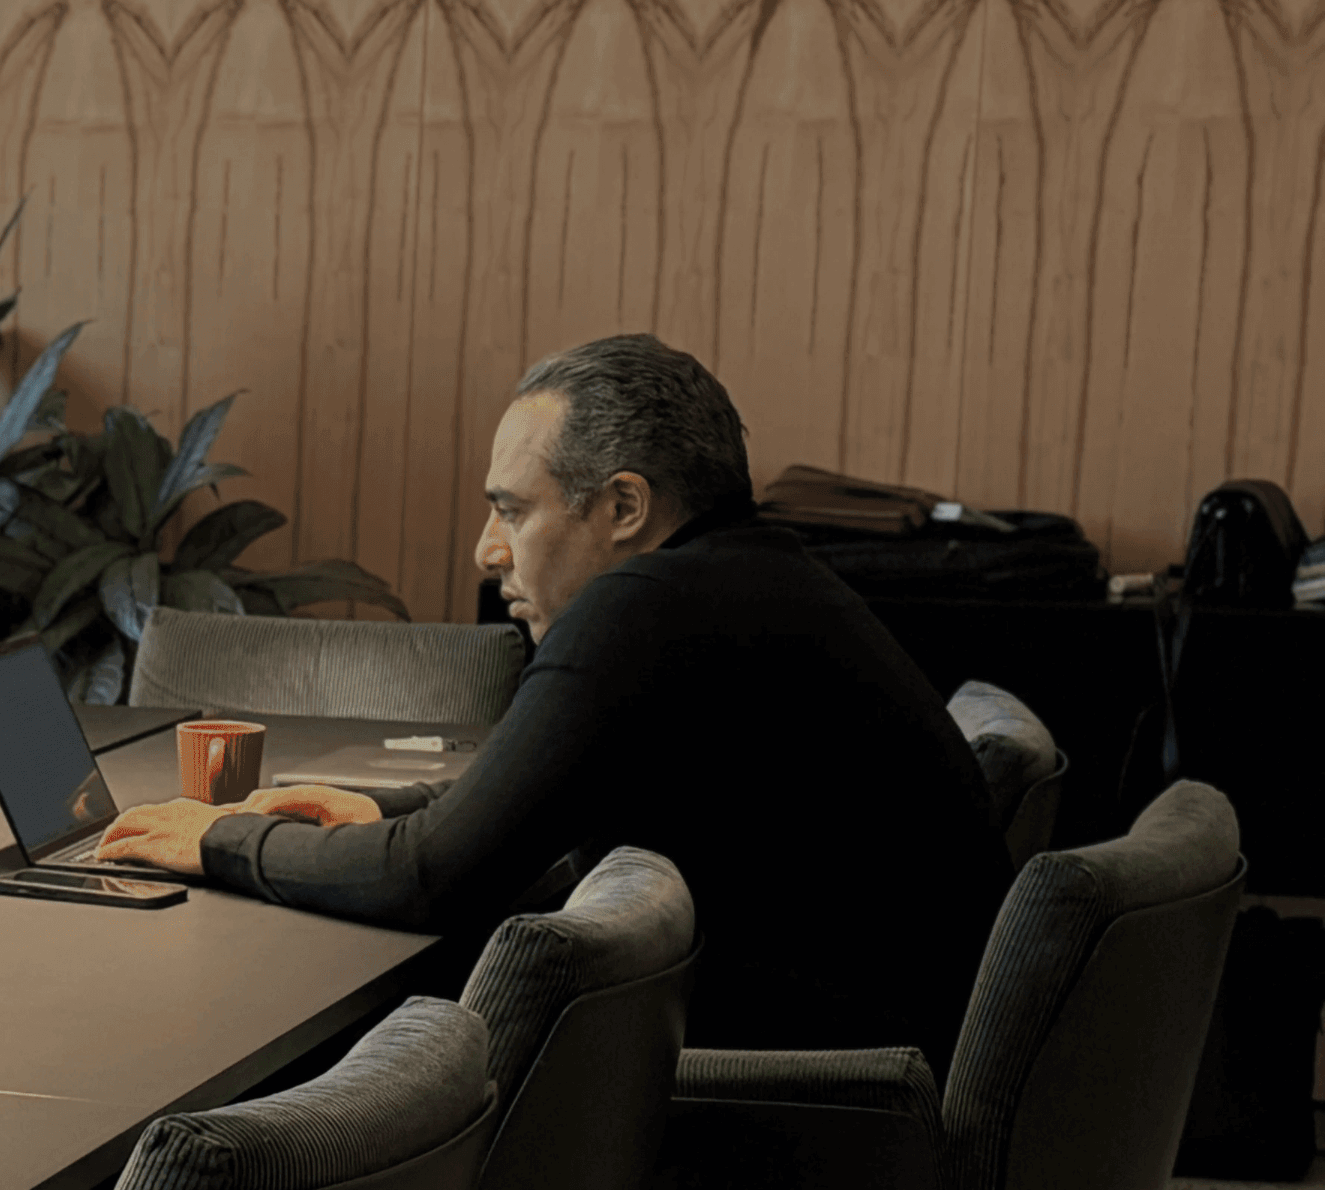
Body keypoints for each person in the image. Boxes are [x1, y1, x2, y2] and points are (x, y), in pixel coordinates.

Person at [86, 335, 1010, 1064]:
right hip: (882, 1078)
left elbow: (429, 878)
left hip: (798, 1112)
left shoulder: (642, 609)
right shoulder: (755, 580)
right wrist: (383, 804)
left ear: (623, 508)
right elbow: (551, 796)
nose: (489, 551)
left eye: (514, 511)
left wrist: (215, 839)